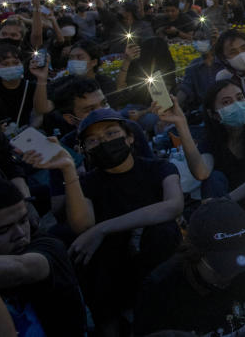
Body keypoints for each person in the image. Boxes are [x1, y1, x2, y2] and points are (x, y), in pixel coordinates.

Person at [72, 108, 184, 336]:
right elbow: (82, 229)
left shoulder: (159, 168)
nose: (103, 143)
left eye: (111, 133)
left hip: (157, 264)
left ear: (130, 137)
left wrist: (102, 229)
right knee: (86, 255)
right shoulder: (88, 183)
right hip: (114, 270)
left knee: (162, 232)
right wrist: (67, 171)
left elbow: (173, 206)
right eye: (93, 141)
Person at [134, 199, 245, 337]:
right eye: (222, 268)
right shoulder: (161, 288)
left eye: (238, 266)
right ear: (195, 254)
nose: (232, 274)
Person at [0, 177, 86, 337]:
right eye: (3, 231)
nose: (21, 234)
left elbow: (21, 268)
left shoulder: (48, 246)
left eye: (23, 220)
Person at [188, 81, 245, 204]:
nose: (237, 105)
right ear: (213, 114)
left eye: (240, 98)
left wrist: (228, 199)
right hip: (229, 211)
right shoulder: (211, 142)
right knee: (213, 178)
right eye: (227, 102)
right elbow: (201, 173)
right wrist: (181, 125)